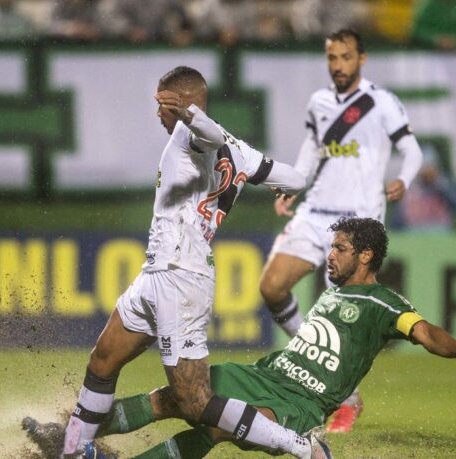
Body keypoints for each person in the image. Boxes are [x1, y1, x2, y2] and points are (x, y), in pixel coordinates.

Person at [24, 217, 456, 458]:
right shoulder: (333, 291)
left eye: (340, 249)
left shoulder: (385, 304)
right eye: (331, 247)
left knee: (217, 425)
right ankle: (70, 436)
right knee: (176, 399)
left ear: (367, 256)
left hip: (300, 402)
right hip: (263, 374)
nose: (329, 256)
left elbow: (424, 332)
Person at [54, 65, 339, 459]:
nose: (158, 113)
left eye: (163, 104)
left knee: (195, 402)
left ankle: (300, 447)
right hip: (156, 273)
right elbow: (294, 179)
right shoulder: (241, 152)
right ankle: (73, 452)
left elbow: (209, 135)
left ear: (185, 103)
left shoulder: (193, 135)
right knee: (103, 359)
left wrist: (189, 115)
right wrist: (273, 183)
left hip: (182, 279)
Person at [259, 28, 424, 433]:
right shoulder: (318, 102)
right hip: (316, 211)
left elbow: (412, 149)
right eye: (332, 58)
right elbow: (311, 151)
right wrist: (292, 187)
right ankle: (309, 356)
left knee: (342, 319)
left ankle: (344, 399)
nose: (338, 66)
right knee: (272, 286)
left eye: (345, 57)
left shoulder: (381, 102)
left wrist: (404, 178)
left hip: (359, 218)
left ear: (361, 59)